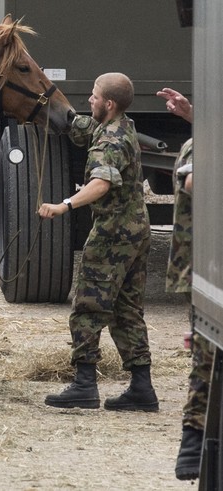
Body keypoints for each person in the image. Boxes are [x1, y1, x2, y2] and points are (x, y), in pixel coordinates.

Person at [38, 72, 158, 411]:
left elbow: (101, 183)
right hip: (137, 230)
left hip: (113, 235)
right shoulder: (121, 126)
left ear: (109, 103)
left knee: (88, 306)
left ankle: (84, 384)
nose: (89, 99)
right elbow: (83, 128)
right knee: (127, 310)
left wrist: (65, 205)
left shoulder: (109, 143)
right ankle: (142, 389)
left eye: (93, 96)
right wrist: (50, 108)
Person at [158, 87, 209, 481]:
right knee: (208, 359)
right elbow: (193, 185)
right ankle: (192, 439)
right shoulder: (199, 146)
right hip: (210, 270)